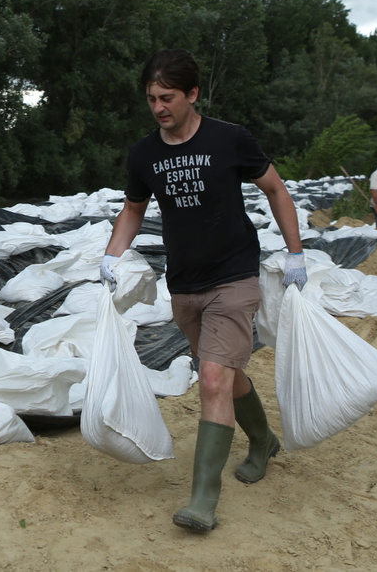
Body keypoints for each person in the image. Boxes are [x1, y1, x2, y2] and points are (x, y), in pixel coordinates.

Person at [100, 49, 306, 533]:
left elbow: (276, 189)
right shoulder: (144, 154)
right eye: (151, 98)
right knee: (226, 377)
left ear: (192, 94)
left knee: (212, 380)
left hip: (233, 276)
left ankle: (202, 501)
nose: (158, 107)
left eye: (167, 97)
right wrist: (112, 255)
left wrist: (296, 252)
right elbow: (133, 209)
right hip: (184, 284)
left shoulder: (230, 139)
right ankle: (263, 440)